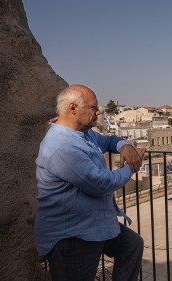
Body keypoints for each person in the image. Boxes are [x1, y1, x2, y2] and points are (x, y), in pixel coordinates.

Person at [34, 84, 144, 281]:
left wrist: (124, 146)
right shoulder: (61, 146)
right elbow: (100, 184)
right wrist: (132, 167)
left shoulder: (84, 133)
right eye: (93, 107)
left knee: (132, 245)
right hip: (73, 236)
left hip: (95, 225)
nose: (99, 111)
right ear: (73, 108)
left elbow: (108, 141)